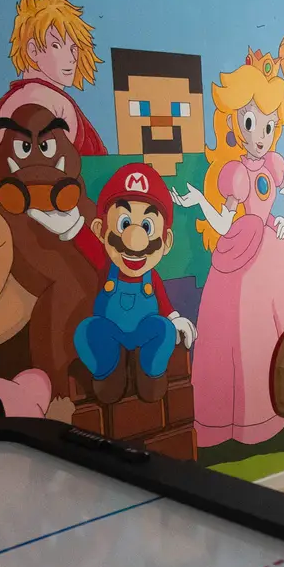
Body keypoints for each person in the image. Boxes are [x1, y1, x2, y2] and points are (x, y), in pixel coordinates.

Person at [181, 50, 284, 447]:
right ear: (235, 122)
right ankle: (246, 420)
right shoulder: (235, 173)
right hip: (242, 253)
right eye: (251, 123)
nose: (259, 135)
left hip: (273, 252)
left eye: (268, 125)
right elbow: (224, 224)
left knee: (283, 326)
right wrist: (200, 202)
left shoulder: (273, 165)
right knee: (240, 330)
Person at [75, 164, 196, 404]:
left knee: (163, 329)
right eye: (124, 223)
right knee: (87, 331)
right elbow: (86, 244)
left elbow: (163, 303)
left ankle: (151, 374)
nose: (134, 241)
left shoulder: (152, 278)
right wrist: (72, 226)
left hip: (144, 330)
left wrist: (175, 319)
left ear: (166, 241)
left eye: (147, 227)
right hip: (111, 330)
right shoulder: (106, 266)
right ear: (100, 230)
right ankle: (108, 373)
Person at [0, 0, 108, 156]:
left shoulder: (15, 99)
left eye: (73, 48)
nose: (71, 58)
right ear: (32, 50)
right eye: (56, 46)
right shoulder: (44, 99)